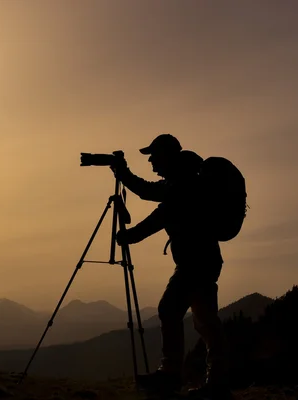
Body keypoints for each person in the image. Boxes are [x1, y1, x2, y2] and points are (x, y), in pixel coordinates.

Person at [112, 136, 230, 398]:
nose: (151, 161)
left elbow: (159, 213)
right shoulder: (185, 180)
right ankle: (216, 383)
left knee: (171, 309)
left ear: (167, 155)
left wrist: (129, 236)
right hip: (204, 261)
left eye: (154, 156)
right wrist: (124, 173)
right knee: (207, 322)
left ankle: (170, 375)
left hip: (195, 263)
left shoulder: (183, 185)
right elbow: (150, 192)